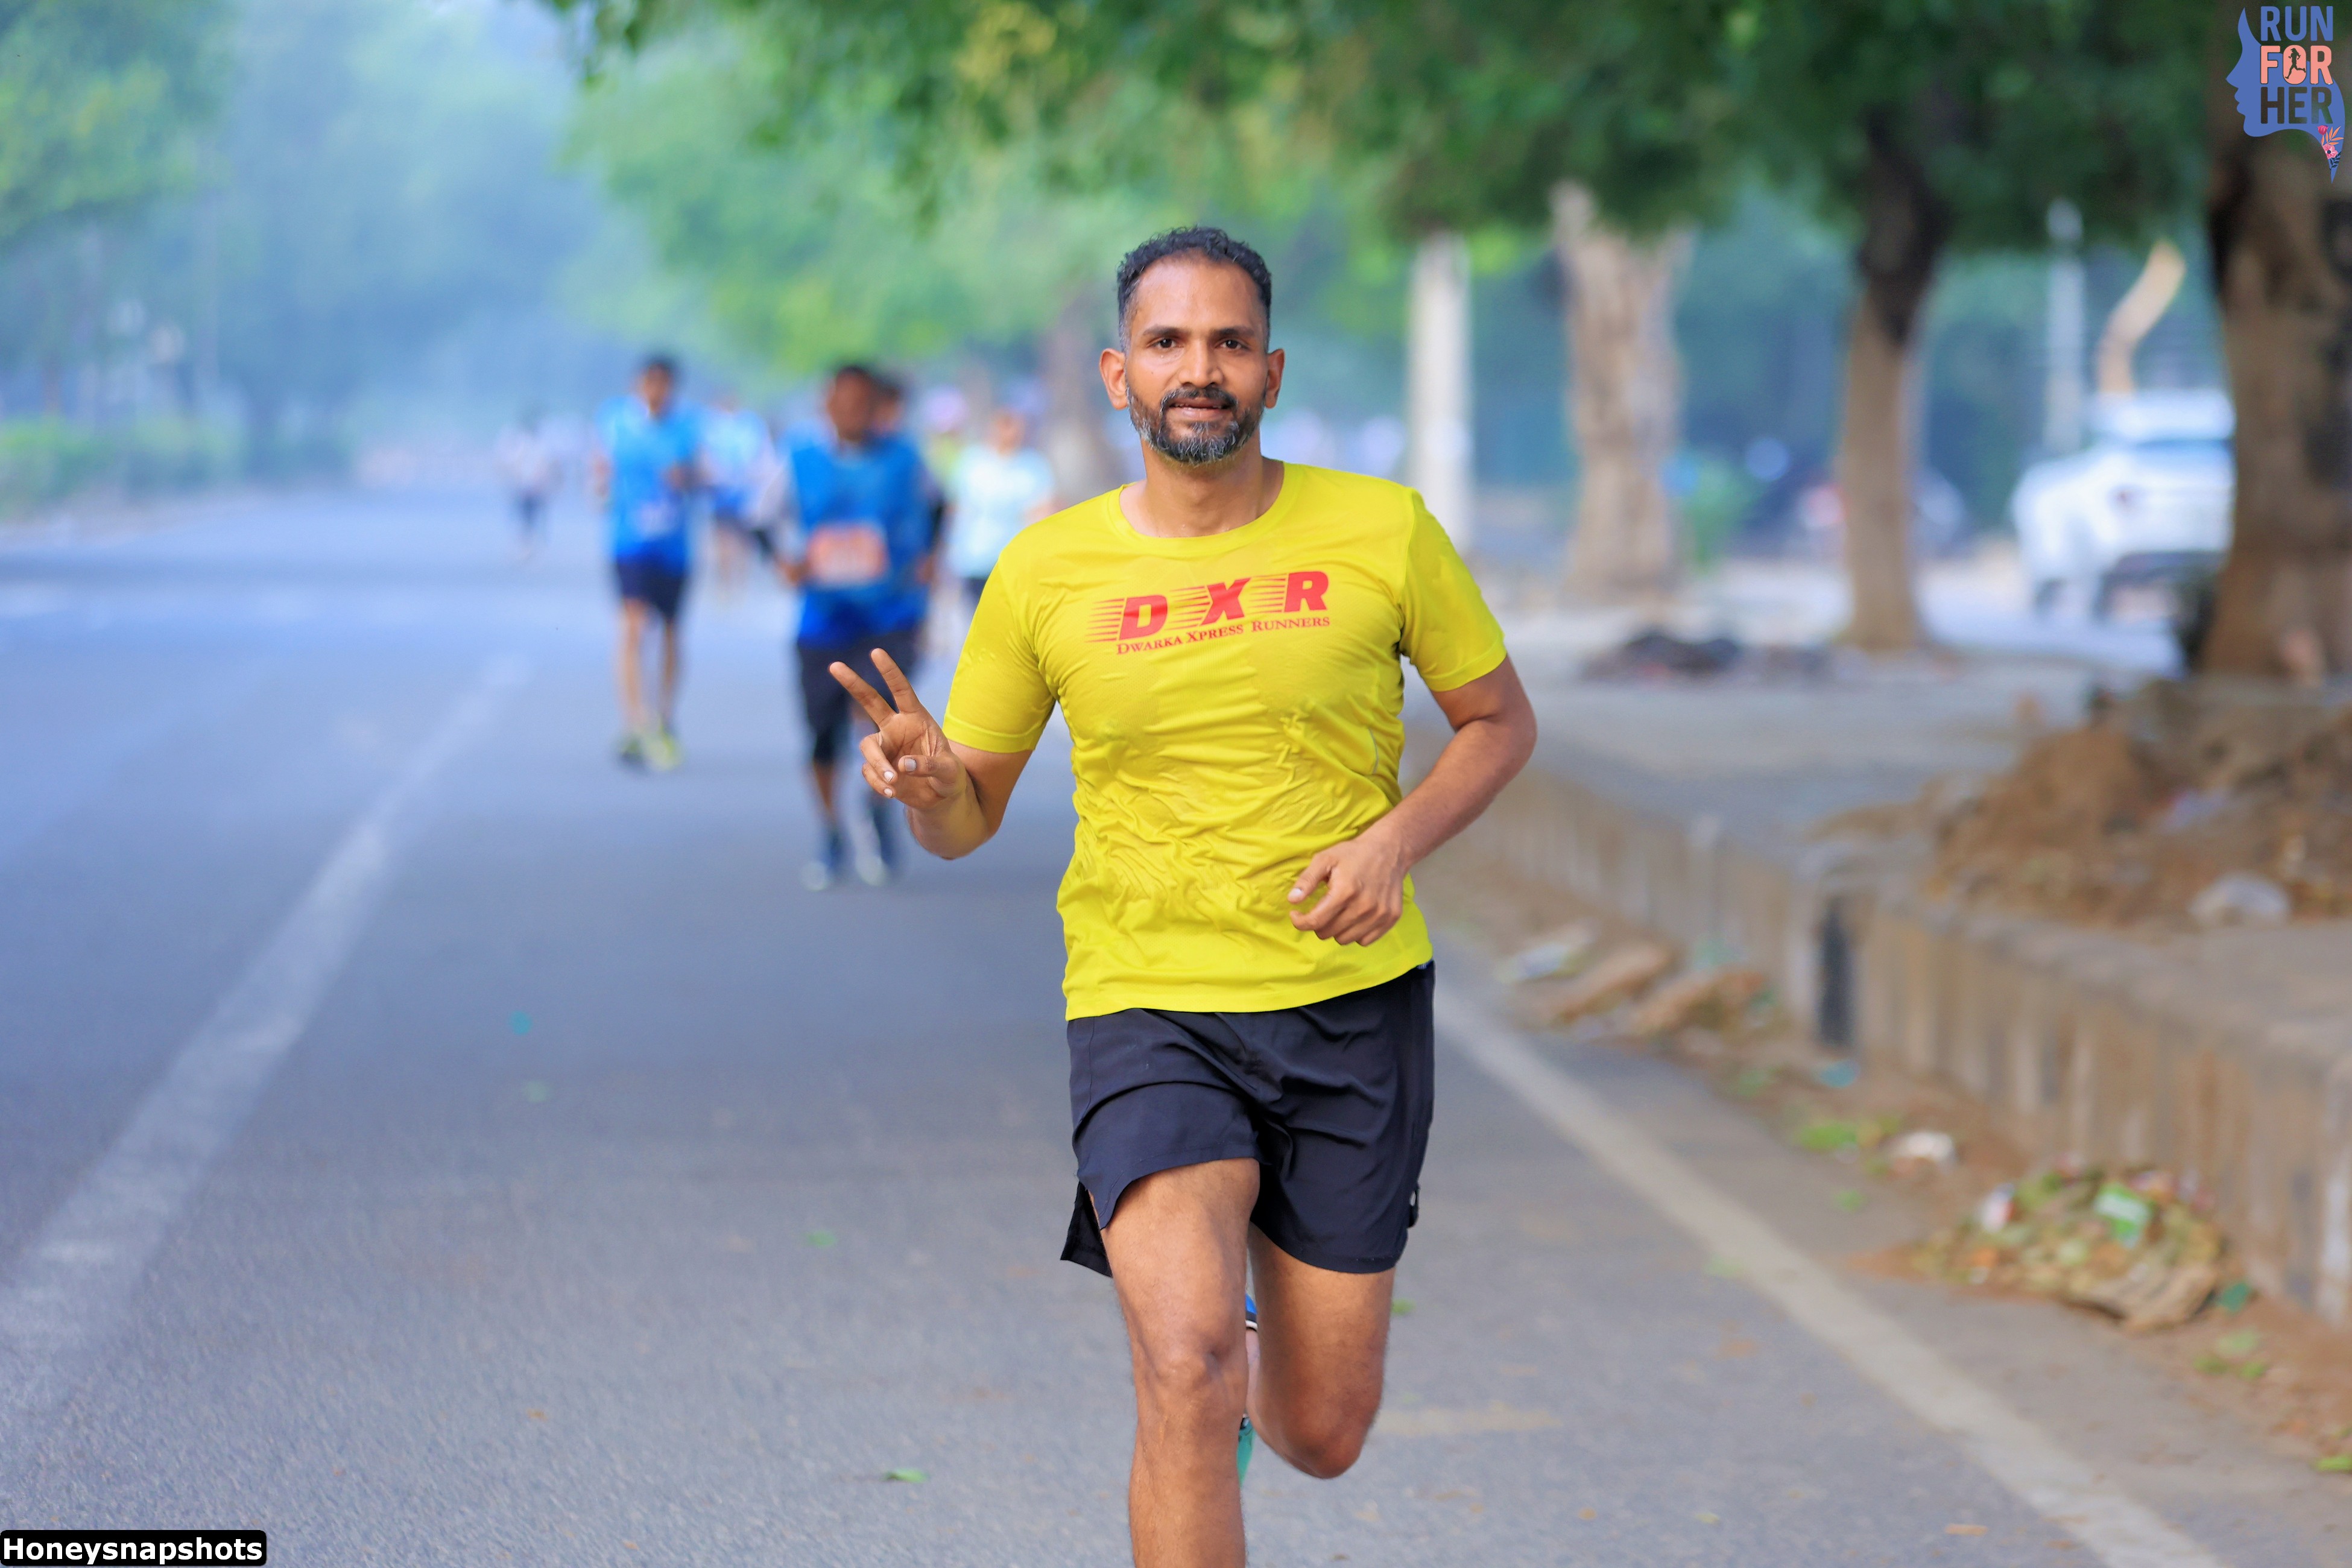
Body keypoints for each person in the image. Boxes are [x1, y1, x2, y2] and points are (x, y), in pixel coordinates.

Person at [827, 227, 1536, 1567]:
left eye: (1226, 342)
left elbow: (1500, 722)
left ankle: (1251, 1356)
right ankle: (1212, 1362)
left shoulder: (1383, 530)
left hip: (1348, 1004)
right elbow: (967, 820)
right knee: (1186, 1366)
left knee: (1323, 1428)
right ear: (1119, 375)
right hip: (1147, 1002)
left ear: (1271, 370)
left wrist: (1394, 843)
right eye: (1166, 342)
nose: (1197, 368)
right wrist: (929, 789)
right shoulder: (1047, 569)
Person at [779, 364, 938, 888]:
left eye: (862, 403)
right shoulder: (799, 459)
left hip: (889, 615)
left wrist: (928, 559)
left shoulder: (905, 459)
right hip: (823, 620)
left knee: (885, 723)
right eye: (842, 402)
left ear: (877, 408)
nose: (851, 412)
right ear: (827, 406)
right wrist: (783, 561)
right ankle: (830, 832)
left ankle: (878, 807)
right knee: (823, 734)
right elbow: (761, 515)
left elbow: (939, 504)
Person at [593, 353, 701, 771]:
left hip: (674, 547)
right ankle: (635, 720)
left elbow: (705, 473)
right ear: (637, 385)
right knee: (633, 626)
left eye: (664, 384)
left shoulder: (688, 426)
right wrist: (601, 487)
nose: (656, 392)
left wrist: (686, 477)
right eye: (649, 383)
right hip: (629, 542)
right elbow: (600, 468)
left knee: (671, 631)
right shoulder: (616, 421)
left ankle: (664, 717)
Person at [944, 407, 1056, 608]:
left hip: (1015, 561)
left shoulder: (1034, 467)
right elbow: (957, 509)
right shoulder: (973, 462)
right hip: (976, 559)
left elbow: (1043, 513)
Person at [700, 392, 774, 593]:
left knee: (733, 538)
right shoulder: (724, 425)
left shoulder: (737, 426)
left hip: (735, 491)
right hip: (729, 492)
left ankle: (733, 583)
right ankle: (733, 582)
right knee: (730, 538)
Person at [493, 408, 561, 558]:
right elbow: (515, 465)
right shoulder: (527, 443)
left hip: (533, 488)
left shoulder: (535, 443)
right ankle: (527, 545)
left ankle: (530, 546)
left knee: (530, 517)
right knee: (526, 516)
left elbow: (545, 466)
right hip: (526, 487)